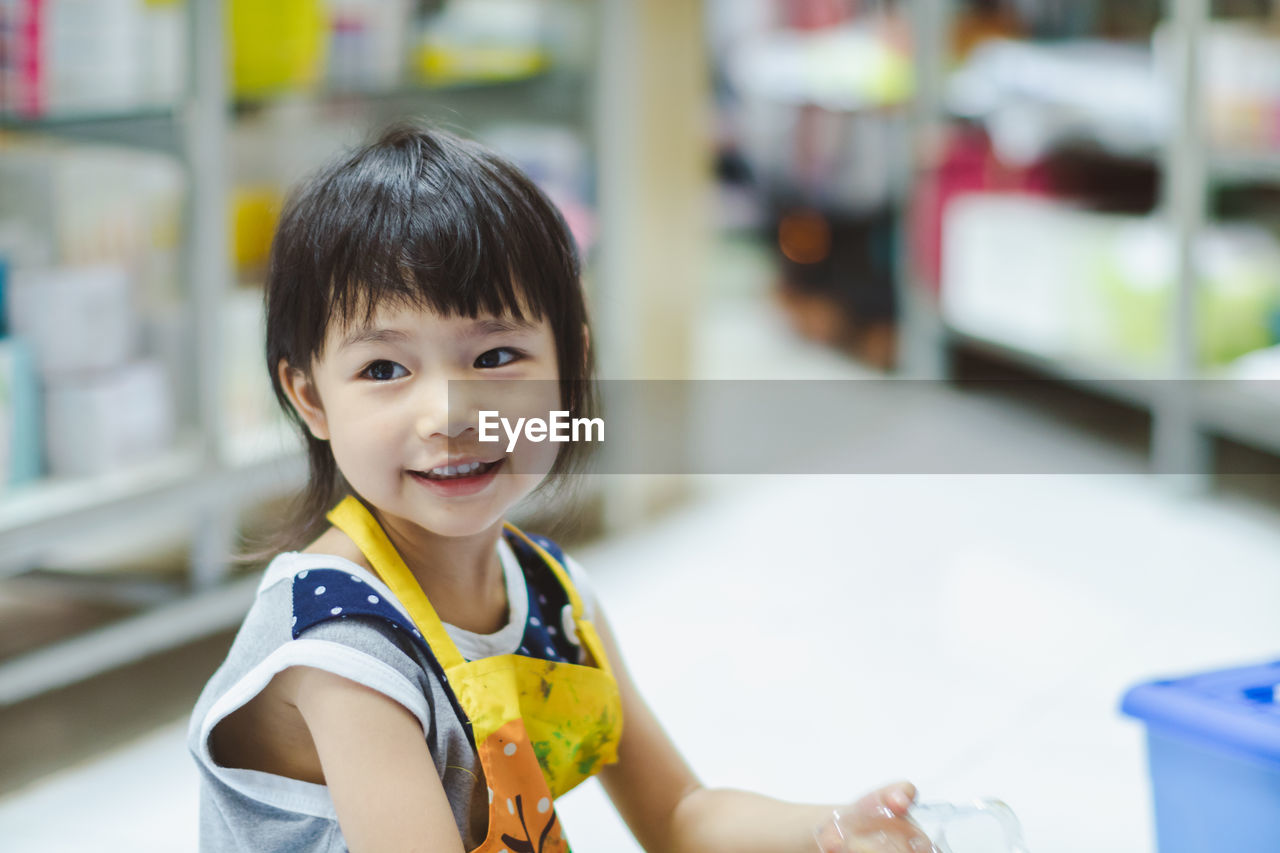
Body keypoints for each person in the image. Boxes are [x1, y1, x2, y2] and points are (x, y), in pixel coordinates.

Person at [188, 123, 931, 853]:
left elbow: (678, 813)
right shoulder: (341, 645)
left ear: (569, 366)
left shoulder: (553, 594)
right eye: (385, 369)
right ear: (310, 397)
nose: (449, 416)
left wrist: (831, 830)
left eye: (496, 355)